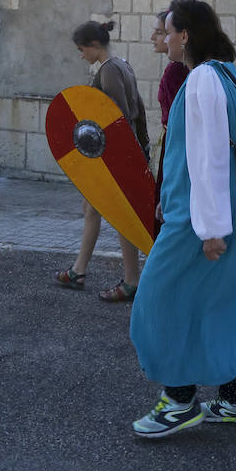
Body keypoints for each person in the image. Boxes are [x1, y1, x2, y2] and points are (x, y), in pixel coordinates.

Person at [129, 0, 236, 438]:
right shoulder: (227, 73)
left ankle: (180, 401)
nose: (164, 38)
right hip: (225, 206)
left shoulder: (203, 78)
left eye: (168, 30)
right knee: (217, 303)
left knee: (158, 302)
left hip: (203, 216)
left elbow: (208, 159)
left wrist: (209, 229)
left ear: (185, 35)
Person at [54, 19, 149, 303]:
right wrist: (142, 146)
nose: (81, 54)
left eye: (82, 49)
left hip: (116, 157)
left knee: (122, 216)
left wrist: (128, 156)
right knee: (91, 208)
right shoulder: (123, 64)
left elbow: (117, 120)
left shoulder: (108, 70)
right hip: (125, 153)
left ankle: (132, 281)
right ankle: (78, 270)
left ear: (94, 45)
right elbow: (139, 110)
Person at [150, 9, 187, 196]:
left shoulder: (176, 71)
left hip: (176, 142)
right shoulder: (175, 68)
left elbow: (178, 119)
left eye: (160, 32)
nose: (153, 38)